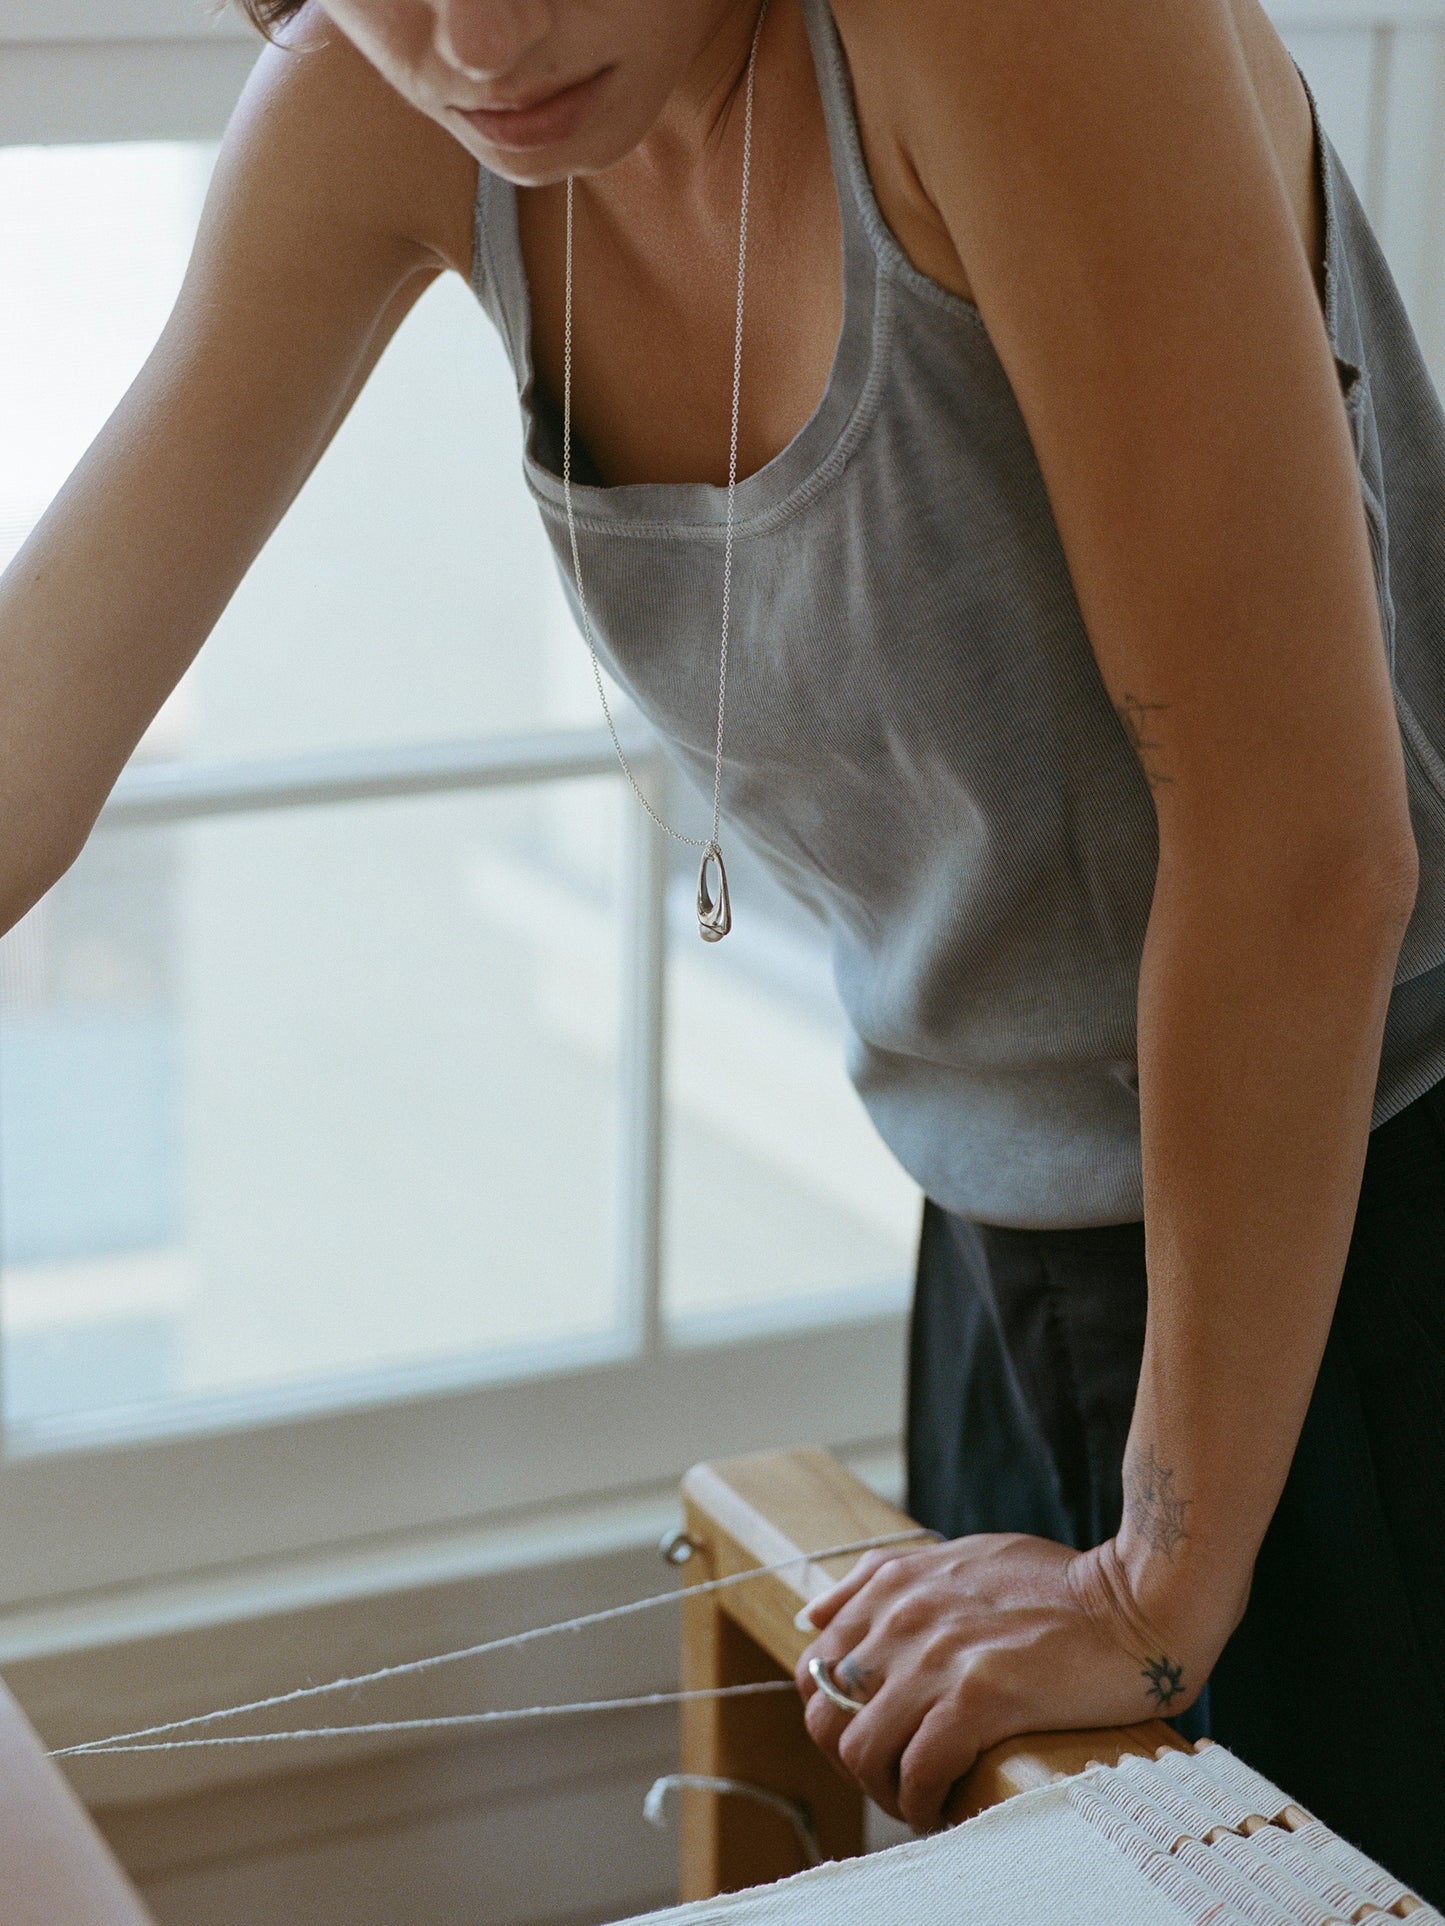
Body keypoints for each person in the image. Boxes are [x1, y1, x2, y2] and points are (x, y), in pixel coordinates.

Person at [3, 0, 1443, 1899]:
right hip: (1009, 1244)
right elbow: (33, 725)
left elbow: (1301, 849)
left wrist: (1154, 1581)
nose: (477, 37)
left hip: (1366, 1215)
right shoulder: (374, 103)